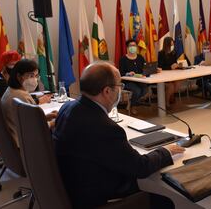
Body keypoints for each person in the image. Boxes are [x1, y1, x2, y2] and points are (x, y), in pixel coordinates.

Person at [53, 61, 185, 209]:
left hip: (71, 187)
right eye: (119, 86)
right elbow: (140, 167)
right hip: (96, 197)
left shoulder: (68, 107)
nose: (121, 90)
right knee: (165, 200)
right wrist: (166, 151)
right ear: (107, 91)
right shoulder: (104, 127)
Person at [1, 59, 57, 145]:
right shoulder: (21, 96)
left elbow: (28, 119)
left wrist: (46, 117)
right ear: (19, 76)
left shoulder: (12, 90)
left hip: (16, 139)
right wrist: (53, 123)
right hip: (25, 144)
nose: (35, 79)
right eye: (31, 76)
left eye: (36, 75)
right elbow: (34, 128)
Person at [119, 39, 148, 115]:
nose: (133, 47)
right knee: (137, 91)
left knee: (145, 89)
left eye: (134, 45)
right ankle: (133, 106)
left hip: (139, 80)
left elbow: (145, 68)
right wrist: (128, 73)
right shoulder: (123, 59)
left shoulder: (140, 57)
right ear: (127, 48)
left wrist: (152, 69)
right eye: (131, 46)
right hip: (128, 81)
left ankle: (131, 103)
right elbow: (121, 73)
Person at [158, 37, 181, 107]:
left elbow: (175, 62)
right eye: (172, 41)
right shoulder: (161, 53)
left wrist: (177, 65)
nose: (173, 42)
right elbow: (160, 66)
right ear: (168, 42)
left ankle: (170, 96)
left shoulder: (173, 52)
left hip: (173, 73)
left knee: (178, 84)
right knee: (171, 86)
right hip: (164, 74)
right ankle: (166, 101)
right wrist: (170, 67)